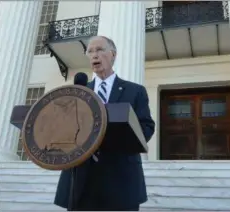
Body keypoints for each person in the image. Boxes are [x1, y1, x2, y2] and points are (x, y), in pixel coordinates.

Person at [54, 35, 155, 211]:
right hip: (81, 177)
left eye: (100, 50)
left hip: (121, 175)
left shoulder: (135, 91)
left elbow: (146, 127)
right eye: (90, 51)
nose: (94, 55)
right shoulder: (78, 93)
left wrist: (120, 139)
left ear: (113, 54)